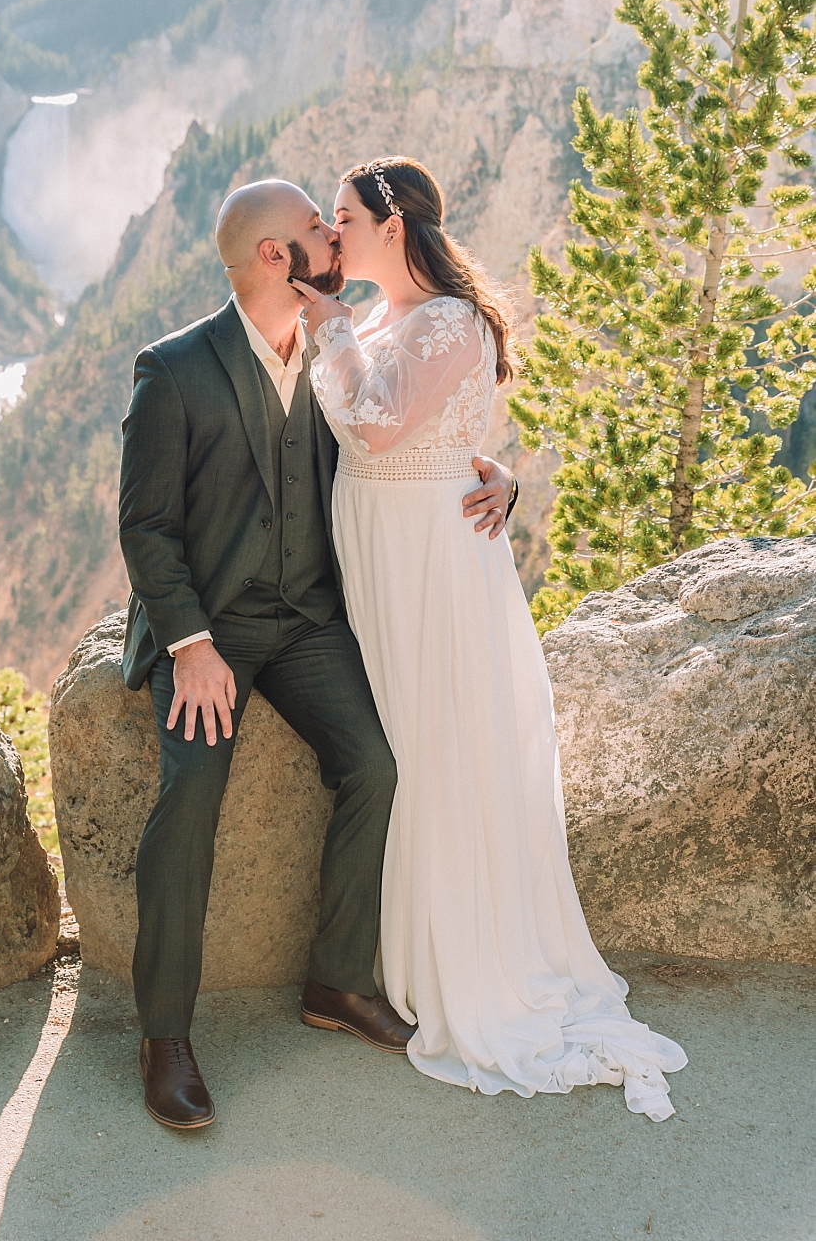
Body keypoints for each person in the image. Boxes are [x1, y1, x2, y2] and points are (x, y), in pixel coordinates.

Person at [291, 158, 687, 1122]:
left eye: (342, 218)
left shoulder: (450, 321)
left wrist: (329, 326)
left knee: (436, 747)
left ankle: (456, 956)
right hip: (381, 552)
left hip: (430, 559)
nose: (333, 236)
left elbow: (380, 429)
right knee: (403, 743)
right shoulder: (387, 318)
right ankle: (399, 946)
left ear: (390, 225)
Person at [118, 177, 517, 1129]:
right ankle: (164, 1036)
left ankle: (336, 981)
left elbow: (414, 433)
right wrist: (190, 643)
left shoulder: (348, 341)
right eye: (313, 229)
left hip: (308, 621)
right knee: (190, 794)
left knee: (376, 767)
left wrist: (497, 473)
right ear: (273, 259)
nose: (331, 236)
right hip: (213, 631)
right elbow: (146, 527)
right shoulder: (174, 369)